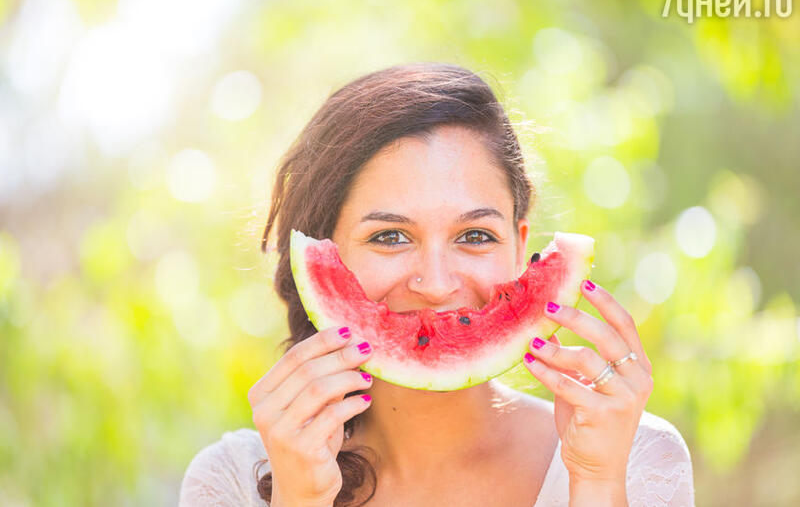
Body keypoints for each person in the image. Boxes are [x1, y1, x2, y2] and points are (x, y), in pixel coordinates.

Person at [179, 62, 695, 507]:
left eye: (474, 235)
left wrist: (598, 484)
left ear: (520, 249)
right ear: (324, 255)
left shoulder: (635, 458)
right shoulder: (232, 482)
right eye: (389, 236)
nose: (436, 283)